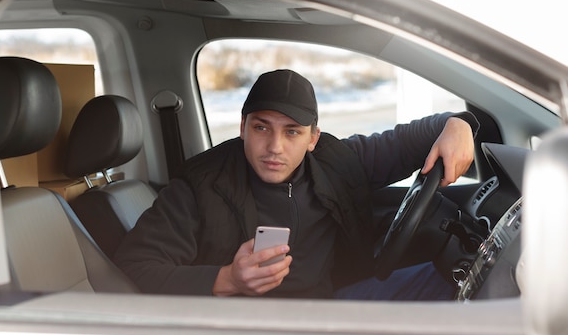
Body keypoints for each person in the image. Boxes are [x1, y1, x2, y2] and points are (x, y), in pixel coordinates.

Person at [114, 69, 478, 299]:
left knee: (457, 279)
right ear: (242, 127)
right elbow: (134, 265)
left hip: (331, 305)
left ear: (313, 138)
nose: (274, 147)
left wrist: (457, 125)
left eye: (292, 132)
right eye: (261, 128)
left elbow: (412, 138)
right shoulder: (199, 186)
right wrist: (227, 280)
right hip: (254, 329)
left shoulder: (338, 161)